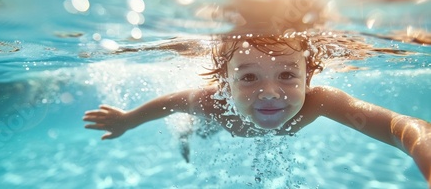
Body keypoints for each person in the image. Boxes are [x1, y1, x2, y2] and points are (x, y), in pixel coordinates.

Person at [83, 33, 431, 185]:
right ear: (226, 85)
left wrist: (421, 144)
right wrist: (127, 120)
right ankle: (186, 136)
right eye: (248, 77)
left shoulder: (320, 102)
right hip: (217, 123)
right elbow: (168, 103)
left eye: (286, 75)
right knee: (195, 126)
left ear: (308, 77)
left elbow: (401, 126)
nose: (269, 93)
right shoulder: (211, 103)